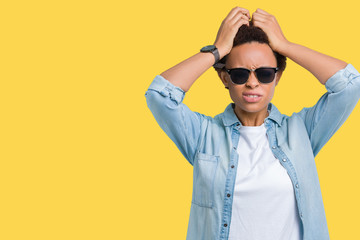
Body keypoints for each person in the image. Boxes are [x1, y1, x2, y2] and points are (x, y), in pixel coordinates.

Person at [144, 6, 360, 240]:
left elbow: (349, 86)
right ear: (225, 78)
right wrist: (217, 51)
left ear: (277, 77)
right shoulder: (203, 135)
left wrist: (284, 46)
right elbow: (160, 95)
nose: (252, 83)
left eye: (265, 73)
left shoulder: (302, 132)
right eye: (240, 74)